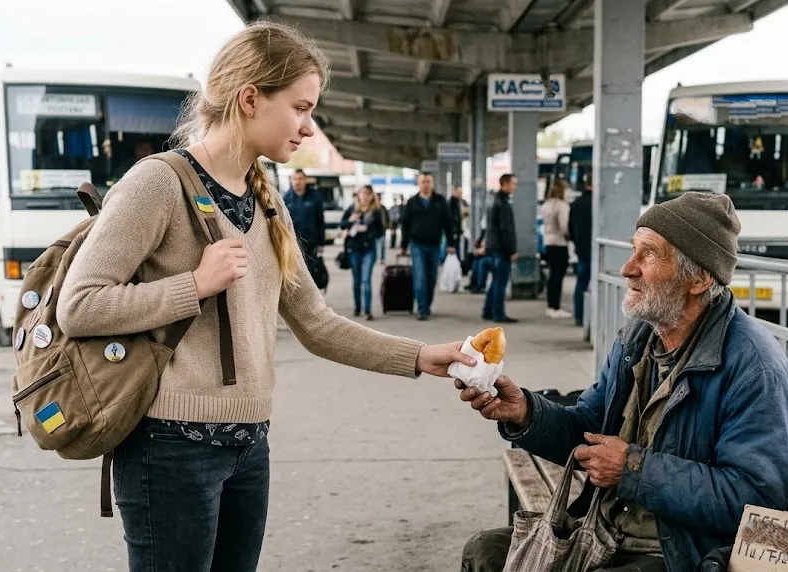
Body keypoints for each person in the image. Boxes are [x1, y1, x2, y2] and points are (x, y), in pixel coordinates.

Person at [55, 21, 475, 572]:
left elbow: (314, 321)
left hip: (249, 447)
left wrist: (421, 357)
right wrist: (194, 286)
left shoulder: (264, 195)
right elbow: (79, 306)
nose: (308, 127)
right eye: (300, 108)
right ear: (250, 98)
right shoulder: (157, 183)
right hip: (169, 448)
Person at [457, 192, 788, 572]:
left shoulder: (754, 367)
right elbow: (589, 427)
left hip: (681, 554)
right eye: (633, 251)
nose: (628, 268)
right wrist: (525, 412)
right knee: (484, 553)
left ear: (700, 278)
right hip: (604, 531)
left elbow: (756, 499)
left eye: (650, 254)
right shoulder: (639, 340)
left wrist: (633, 470)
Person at [400, 171, 456, 321]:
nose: (425, 184)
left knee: (431, 278)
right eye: (423, 182)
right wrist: (403, 246)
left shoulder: (440, 201)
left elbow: (448, 224)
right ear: (418, 183)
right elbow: (405, 225)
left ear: (432, 183)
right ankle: (422, 308)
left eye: (428, 182)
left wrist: (451, 243)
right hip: (417, 245)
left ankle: (427, 304)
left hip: (435, 245)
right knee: (420, 276)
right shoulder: (412, 202)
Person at [341, 185, 384, 319]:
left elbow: (381, 231)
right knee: (357, 279)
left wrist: (367, 230)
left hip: (369, 249)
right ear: (358, 195)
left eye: (368, 194)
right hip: (354, 248)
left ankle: (367, 310)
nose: (365, 196)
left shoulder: (376, 211)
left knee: (366, 279)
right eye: (363, 193)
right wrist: (350, 221)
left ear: (372, 196)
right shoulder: (352, 209)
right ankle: (357, 307)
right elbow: (342, 224)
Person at [482, 173, 518, 324]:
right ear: (505, 184)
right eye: (513, 183)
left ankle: (488, 310)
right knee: (500, 282)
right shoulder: (503, 204)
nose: (515, 187)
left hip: (494, 246)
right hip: (501, 248)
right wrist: (512, 250)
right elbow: (506, 229)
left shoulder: (494, 200)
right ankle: (499, 313)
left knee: (496, 280)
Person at [541, 179, 572, 319]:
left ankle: (550, 306)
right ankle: (556, 307)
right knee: (558, 276)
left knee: (552, 275)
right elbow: (564, 226)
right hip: (559, 243)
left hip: (548, 241)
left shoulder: (546, 205)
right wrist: (570, 236)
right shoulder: (561, 205)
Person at [282, 168, 325, 265]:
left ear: (305, 180)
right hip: (293, 243)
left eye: (300, 179)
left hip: (311, 243)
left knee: (311, 272)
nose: (297, 182)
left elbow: (320, 221)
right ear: (291, 180)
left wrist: (321, 243)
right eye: (294, 179)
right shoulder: (286, 198)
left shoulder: (315, 197)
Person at [567, 182, 593, 327]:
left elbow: (569, 226)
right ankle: (592, 317)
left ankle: (579, 316)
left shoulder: (576, 203)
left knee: (581, 282)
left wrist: (576, 243)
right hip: (593, 248)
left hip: (581, 248)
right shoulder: (597, 202)